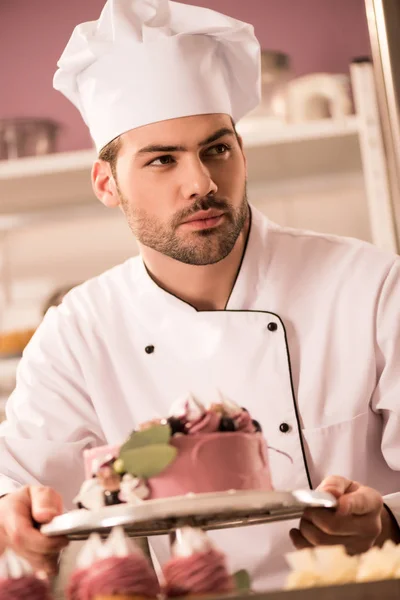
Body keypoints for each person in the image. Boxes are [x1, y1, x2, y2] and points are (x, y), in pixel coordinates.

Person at [0, 0, 399, 590]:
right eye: (163, 160)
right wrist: (16, 522)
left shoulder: (368, 285)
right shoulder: (80, 332)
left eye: (217, 149)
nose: (203, 184)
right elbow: (14, 485)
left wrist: (386, 518)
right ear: (107, 183)